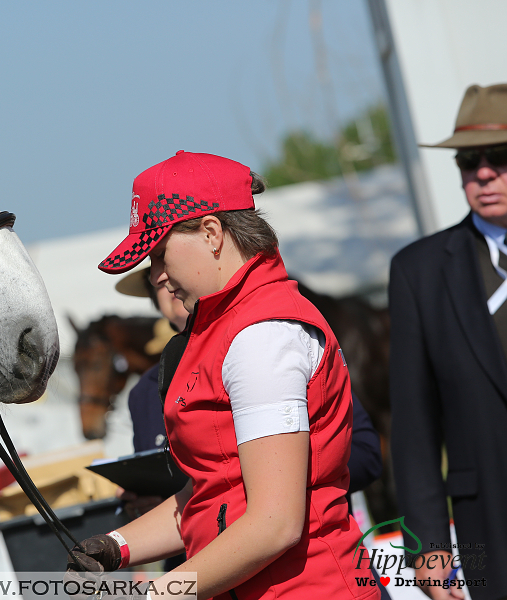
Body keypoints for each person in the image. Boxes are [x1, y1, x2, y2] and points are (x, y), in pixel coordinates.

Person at [67, 151, 378, 598]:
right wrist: (115, 547)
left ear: (212, 233)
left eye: (158, 253)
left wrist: (155, 595)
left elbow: (275, 524)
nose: (157, 277)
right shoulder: (226, 327)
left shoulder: (263, 336)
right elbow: (213, 496)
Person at [389, 83, 507, 599]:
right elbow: (414, 429)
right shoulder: (419, 271)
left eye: (500, 157)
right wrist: (431, 553)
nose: (483, 173)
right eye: (468, 161)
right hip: (491, 533)